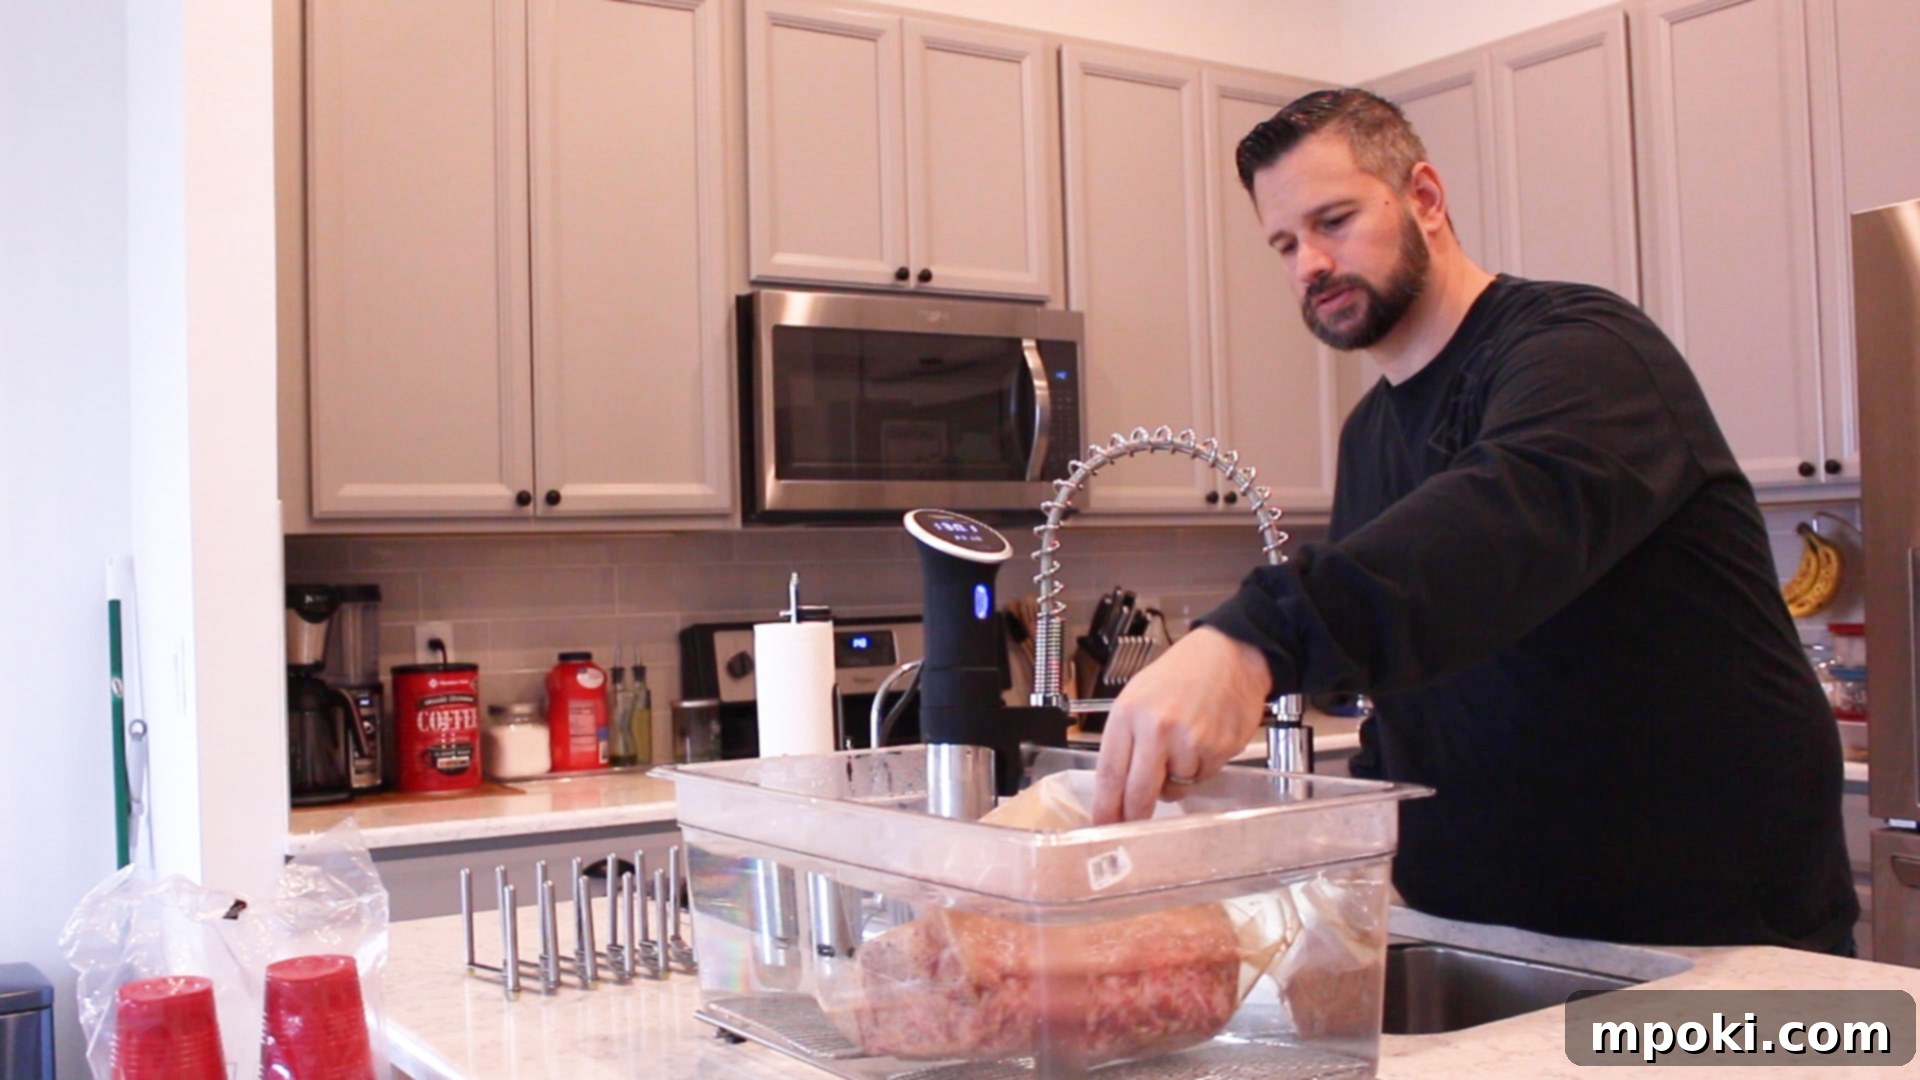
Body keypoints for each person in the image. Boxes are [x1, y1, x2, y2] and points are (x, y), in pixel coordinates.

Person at [1090, 88, 1858, 953]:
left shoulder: (1584, 352)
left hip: (1706, 947)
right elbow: (1404, 681)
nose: (1309, 263)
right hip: (1482, 938)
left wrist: (1248, 642)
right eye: (1284, 244)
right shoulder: (1370, 434)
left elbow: (1495, 530)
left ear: (1424, 197)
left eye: (1333, 220)